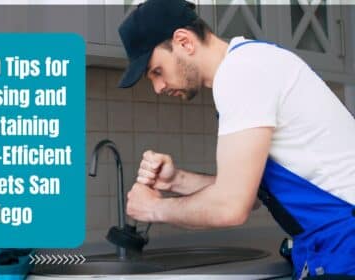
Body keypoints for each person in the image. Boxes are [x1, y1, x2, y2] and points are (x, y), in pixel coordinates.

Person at [117, 0, 355, 279]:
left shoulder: (242, 73)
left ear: (184, 42)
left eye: (157, 71)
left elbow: (231, 207)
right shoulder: (248, 64)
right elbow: (250, 195)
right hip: (333, 242)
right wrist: (175, 180)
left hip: (345, 241)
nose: (158, 87)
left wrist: (153, 208)